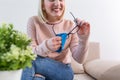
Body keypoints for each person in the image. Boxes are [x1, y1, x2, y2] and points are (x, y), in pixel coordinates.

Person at [21, 0, 90, 80]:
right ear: (42, 5)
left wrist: (83, 39)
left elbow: (80, 60)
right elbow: (31, 52)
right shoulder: (33, 21)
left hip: (64, 71)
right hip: (40, 67)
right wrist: (46, 46)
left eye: (61, 0)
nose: (57, 3)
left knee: (27, 60)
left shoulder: (70, 25)